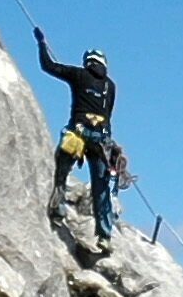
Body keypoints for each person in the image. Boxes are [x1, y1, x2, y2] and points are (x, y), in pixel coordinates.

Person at [33, 27, 119, 246]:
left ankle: (58, 209)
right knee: (101, 188)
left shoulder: (78, 74)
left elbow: (48, 66)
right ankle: (104, 235)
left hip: (78, 134)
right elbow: (108, 113)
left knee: (61, 170)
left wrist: (42, 43)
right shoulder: (111, 86)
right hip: (101, 140)